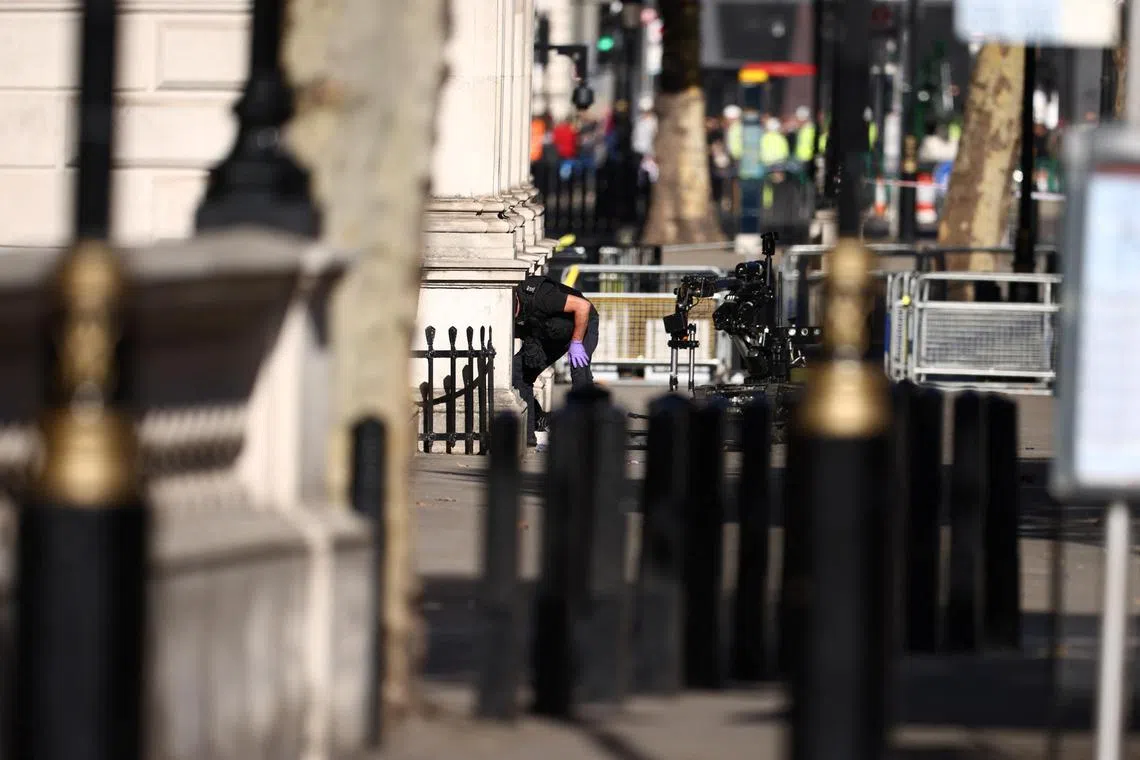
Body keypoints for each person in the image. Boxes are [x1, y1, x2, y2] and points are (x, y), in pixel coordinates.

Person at [512, 274, 600, 447]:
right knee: (519, 371)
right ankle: (530, 432)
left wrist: (576, 342)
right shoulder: (512, 311)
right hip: (550, 333)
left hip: (582, 323)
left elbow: (583, 306)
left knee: (579, 370)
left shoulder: (542, 296)